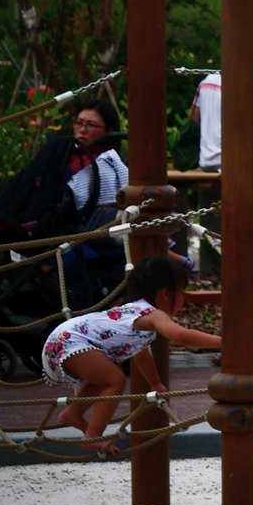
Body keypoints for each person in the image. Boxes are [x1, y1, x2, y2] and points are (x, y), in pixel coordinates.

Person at [42, 254, 222, 454]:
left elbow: (139, 351)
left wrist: (154, 382)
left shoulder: (133, 313)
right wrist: (224, 342)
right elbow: (181, 336)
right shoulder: (153, 314)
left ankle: (73, 413)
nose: (182, 299)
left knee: (106, 374)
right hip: (69, 341)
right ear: (165, 293)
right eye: (181, 293)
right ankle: (92, 434)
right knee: (115, 380)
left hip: (61, 341)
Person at [64, 98, 129, 226]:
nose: (82, 130)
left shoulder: (117, 163)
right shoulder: (62, 157)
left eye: (91, 125)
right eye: (79, 123)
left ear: (110, 131)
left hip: (113, 225)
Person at [192, 70, 223, 170]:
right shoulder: (237, 84)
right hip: (229, 159)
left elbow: (194, 117)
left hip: (205, 160)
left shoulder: (205, 81)